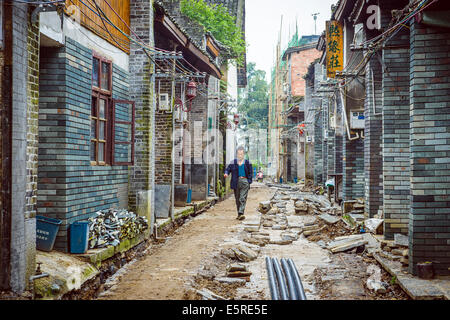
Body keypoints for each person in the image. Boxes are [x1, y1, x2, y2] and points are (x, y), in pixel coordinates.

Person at [224, 146, 253, 220]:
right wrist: (226, 173)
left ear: (244, 154)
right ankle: (239, 214)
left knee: (242, 198)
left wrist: (248, 181)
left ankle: (241, 212)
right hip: (235, 182)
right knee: (237, 199)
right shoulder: (233, 162)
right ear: (237, 154)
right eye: (239, 154)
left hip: (244, 181)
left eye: (241, 154)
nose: (240, 155)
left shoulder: (247, 163)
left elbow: (250, 173)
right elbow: (228, 169)